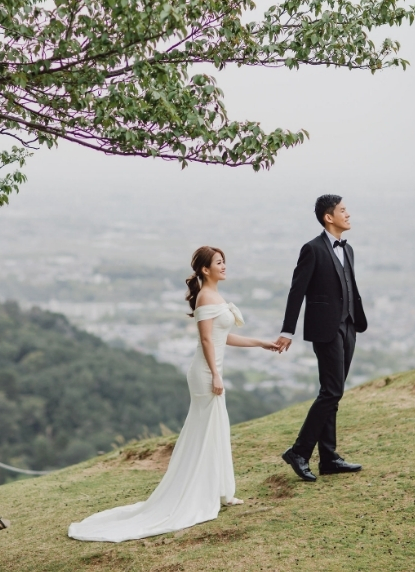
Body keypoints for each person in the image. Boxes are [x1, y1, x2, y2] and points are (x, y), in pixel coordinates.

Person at [68, 247, 280, 542]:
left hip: (211, 370)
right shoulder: (206, 296)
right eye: (219, 263)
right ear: (205, 270)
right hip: (206, 373)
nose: (224, 266)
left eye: (224, 262)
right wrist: (216, 375)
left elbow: (222, 337)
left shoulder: (214, 296)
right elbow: (206, 338)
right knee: (205, 430)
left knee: (215, 428)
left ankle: (220, 491)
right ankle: (203, 493)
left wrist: (261, 343)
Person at [276, 195, 367, 482]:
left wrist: (353, 318)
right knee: (331, 391)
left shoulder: (348, 249)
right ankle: (300, 452)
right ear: (329, 217)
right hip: (325, 329)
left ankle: (328, 458)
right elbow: (297, 291)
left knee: (334, 392)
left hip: (349, 325)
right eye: (343, 210)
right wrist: (287, 331)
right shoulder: (312, 249)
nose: (348, 214)